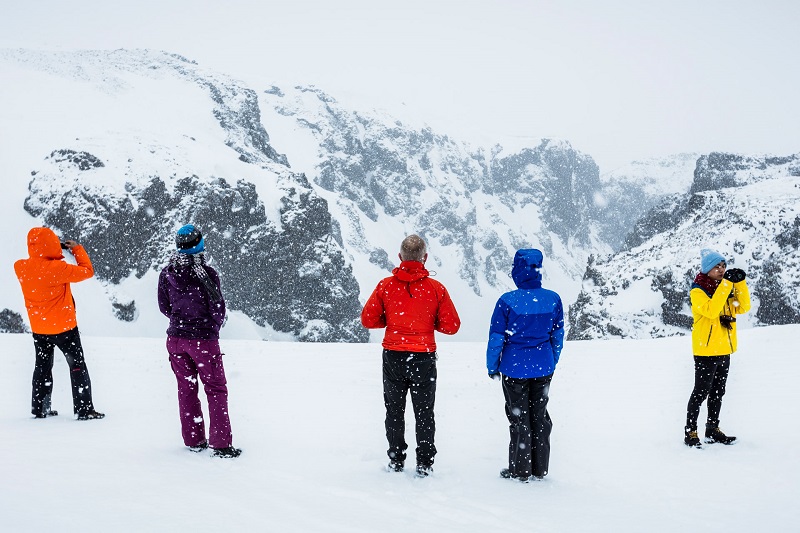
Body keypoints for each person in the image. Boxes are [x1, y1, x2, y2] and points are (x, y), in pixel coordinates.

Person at [361, 234, 461, 477]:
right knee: (424, 411)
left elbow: (368, 319)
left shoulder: (386, 285)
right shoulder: (436, 289)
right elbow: (452, 326)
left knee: (394, 411)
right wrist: (428, 323)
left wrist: (392, 321)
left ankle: (396, 459)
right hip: (423, 357)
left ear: (400, 257)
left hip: (394, 355)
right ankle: (425, 463)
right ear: (424, 258)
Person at [157, 224, 241, 458]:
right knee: (215, 390)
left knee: (186, 389)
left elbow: (164, 307)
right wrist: (209, 328)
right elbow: (217, 308)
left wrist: (181, 321)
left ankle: (194, 440)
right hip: (203, 341)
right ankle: (221, 444)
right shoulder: (207, 274)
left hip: (175, 339)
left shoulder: (167, 273)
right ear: (200, 246)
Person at [486, 248, 564, 482]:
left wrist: (493, 366)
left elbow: (497, 338)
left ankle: (521, 470)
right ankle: (540, 468)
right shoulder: (553, 299)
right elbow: (557, 336)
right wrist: (551, 359)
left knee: (519, 417)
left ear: (517, 271)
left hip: (514, 368)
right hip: (544, 367)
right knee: (539, 416)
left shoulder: (507, 301)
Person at [14, 227, 105, 420]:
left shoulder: (20, 267)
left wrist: (49, 254)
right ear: (52, 245)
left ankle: (39, 408)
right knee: (77, 366)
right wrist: (77, 249)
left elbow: (38, 266)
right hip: (65, 329)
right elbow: (87, 271)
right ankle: (84, 409)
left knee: (42, 367)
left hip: (39, 329)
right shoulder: (58, 269)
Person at [685, 248, 751, 447]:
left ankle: (712, 429)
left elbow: (744, 307)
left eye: (723, 266)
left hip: (724, 349)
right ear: (707, 269)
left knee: (718, 392)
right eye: (717, 267)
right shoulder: (698, 291)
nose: (722, 270)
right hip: (706, 351)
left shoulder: (725, 288)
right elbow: (712, 310)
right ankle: (691, 432)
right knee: (700, 392)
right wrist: (727, 284)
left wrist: (739, 283)